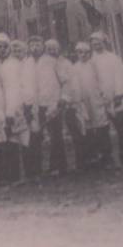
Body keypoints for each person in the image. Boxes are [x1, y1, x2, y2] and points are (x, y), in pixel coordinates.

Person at [90, 31, 123, 170]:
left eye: (99, 42)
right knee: (102, 130)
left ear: (105, 42)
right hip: (99, 100)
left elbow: (120, 76)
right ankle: (106, 157)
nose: (96, 45)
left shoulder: (113, 58)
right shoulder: (91, 60)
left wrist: (119, 95)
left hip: (114, 98)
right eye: (94, 43)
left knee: (121, 129)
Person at [0, 33, 28, 186]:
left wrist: (10, 111)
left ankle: (14, 175)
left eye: (4, 46)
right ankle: (1, 175)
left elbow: (14, 89)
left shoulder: (12, 64)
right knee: (0, 141)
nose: (1, 49)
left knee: (12, 139)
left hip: (11, 105)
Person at [71, 41, 108, 174]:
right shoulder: (74, 68)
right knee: (86, 129)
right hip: (83, 102)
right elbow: (74, 87)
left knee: (101, 127)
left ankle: (106, 158)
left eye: (86, 52)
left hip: (96, 100)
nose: (83, 55)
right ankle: (91, 159)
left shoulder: (94, 66)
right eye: (80, 52)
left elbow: (102, 82)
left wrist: (103, 96)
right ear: (77, 54)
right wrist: (77, 102)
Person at [37, 39, 71, 177]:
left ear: (59, 49)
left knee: (56, 135)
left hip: (54, 102)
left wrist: (63, 98)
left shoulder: (59, 63)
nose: (52, 51)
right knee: (45, 135)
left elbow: (66, 82)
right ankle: (52, 165)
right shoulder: (40, 63)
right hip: (41, 103)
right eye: (49, 48)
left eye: (54, 48)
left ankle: (61, 166)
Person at [12, 39, 41, 183]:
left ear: (25, 51)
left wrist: (29, 105)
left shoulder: (30, 64)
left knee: (34, 137)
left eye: (20, 51)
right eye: (15, 51)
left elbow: (31, 86)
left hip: (30, 105)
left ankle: (36, 171)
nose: (17, 53)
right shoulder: (13, 66)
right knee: (24, 139)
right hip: (18, 107)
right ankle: (28, 171)